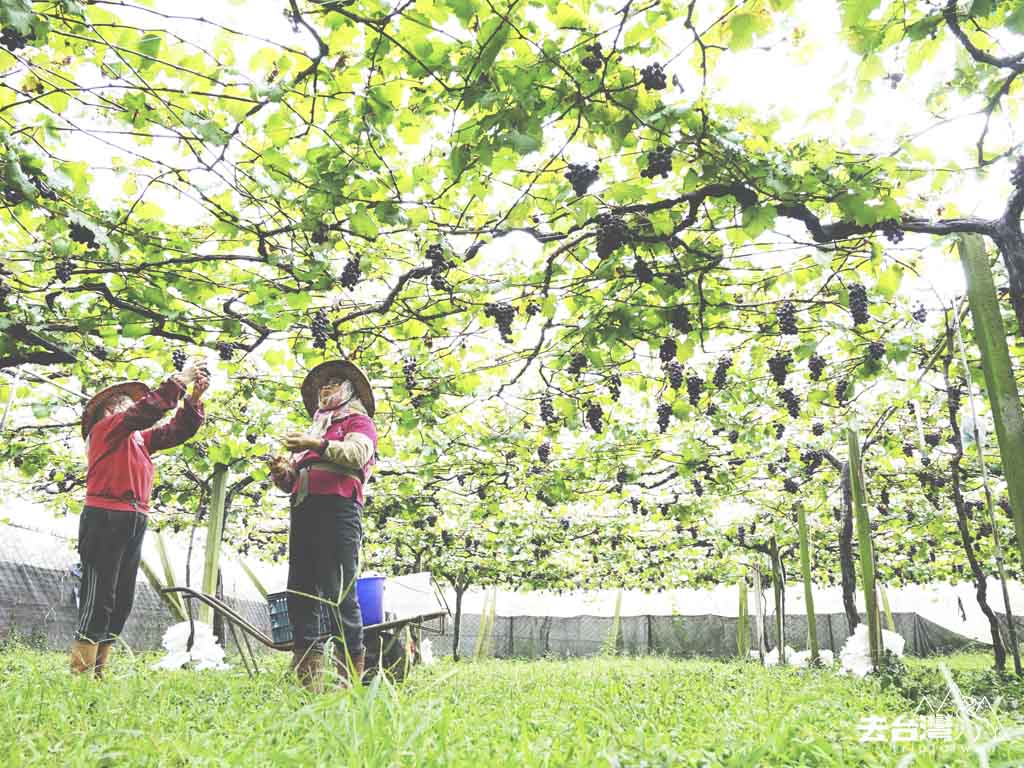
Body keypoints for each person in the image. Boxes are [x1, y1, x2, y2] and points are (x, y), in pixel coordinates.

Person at [71, 359, 208, 677]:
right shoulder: (104, 431)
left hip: (133, 519)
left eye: (129, 403)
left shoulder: (139, 441)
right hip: (105, 516)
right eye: (121, 403)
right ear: (106, 413)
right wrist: (179, 380)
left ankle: (99, 670)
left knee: (121, 598)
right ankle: (80, 674)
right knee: (99, 595)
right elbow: (141, 413)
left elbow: (177, 430)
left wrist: (194, 401)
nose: (128, 406)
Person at [268, 360, 378, 691]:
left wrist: (314, 445)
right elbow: (293, 482)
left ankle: (348, 684)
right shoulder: (317, 428)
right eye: (323, 385)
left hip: (339, 510)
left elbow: (357, 455)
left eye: (333, 382)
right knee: (300, 591)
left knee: (340, 591)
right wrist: (282, 473)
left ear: (349, 390)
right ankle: (309, 683)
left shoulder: (359, 422)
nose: (325, 388)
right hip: (306, 510)